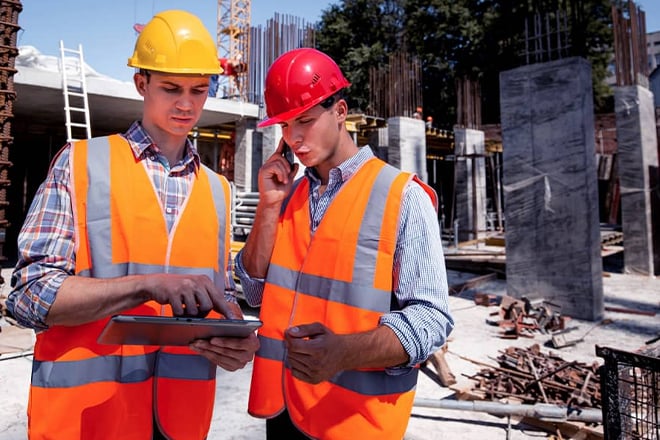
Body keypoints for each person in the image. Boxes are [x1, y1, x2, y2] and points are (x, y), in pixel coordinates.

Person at [6, 9, 259, 440]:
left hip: (179, 422)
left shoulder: (218, 190)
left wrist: (236, 344)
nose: (186, 103)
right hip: (87, 418)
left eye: (199, 90)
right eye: (171, 88)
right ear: (141, 83)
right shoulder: (82, 163)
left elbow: (223, 298)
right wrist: (144, 285)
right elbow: (29, 297)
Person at [235, 47, 455, 439]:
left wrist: (344, 352)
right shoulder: (289, 195)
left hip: (354, 421)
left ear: (340, 112)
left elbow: (431, 319)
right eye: (285, 126)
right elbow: (253, 291)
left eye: (305, 120)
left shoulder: (402, 197)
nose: (294, 138)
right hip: (285, 410)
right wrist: (269, 207)